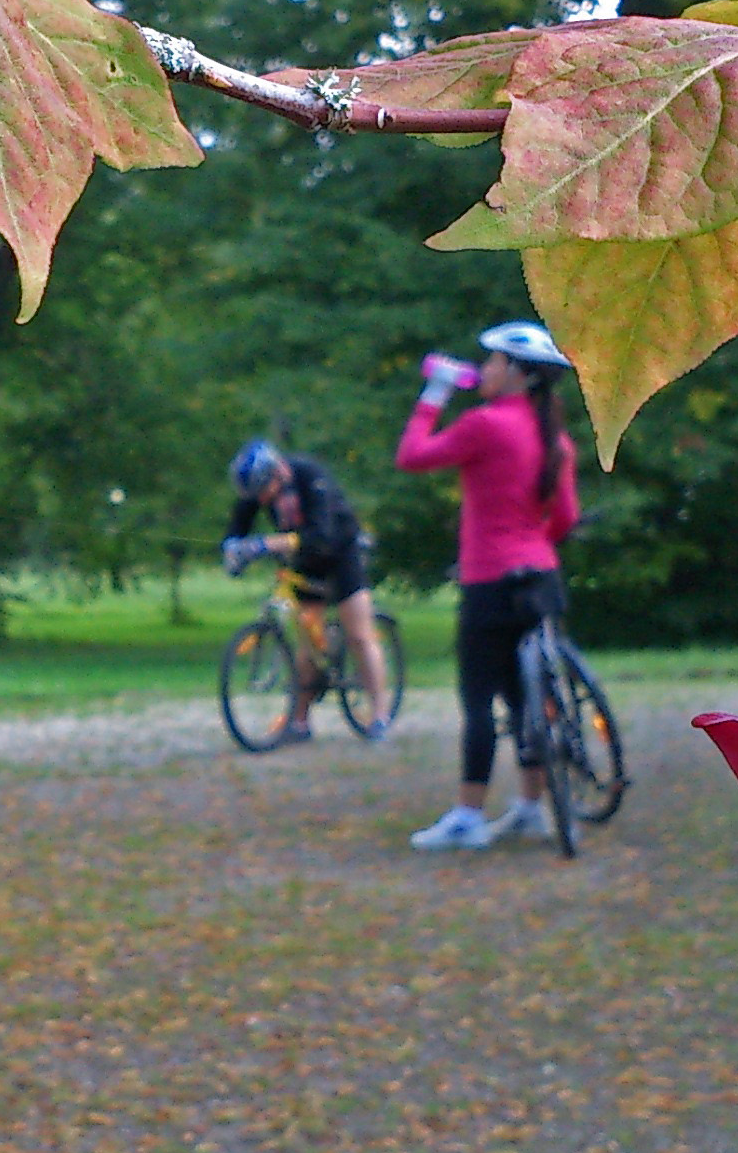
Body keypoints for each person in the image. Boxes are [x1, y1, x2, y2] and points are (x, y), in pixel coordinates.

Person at [394, 321, 582, 851]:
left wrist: (434, 394)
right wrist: (531, 542)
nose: (484, 369)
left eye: (493, 361)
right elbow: (565, 518)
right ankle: (531, 806)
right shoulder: (557, 439)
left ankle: (468, 815)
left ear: (517, 373)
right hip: (541, 577)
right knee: (529, 697)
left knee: (479, 698)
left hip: (490, 579)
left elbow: (412, 456)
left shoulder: (485, 424)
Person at [222, 438, 390, 739]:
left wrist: (265, 544)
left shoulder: (310, 477)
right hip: (305, 561)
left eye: (263, 491)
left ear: (277, 473)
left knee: (359, 634)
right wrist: (233, 550)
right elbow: (238, 527)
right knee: (307, 642)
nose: (261, 499)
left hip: (341, 552)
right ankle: (298, 722)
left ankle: (379, 715)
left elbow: (319, 535)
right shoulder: (259, 488)